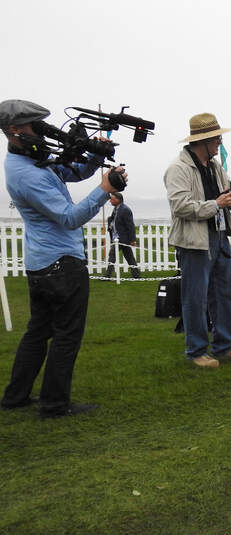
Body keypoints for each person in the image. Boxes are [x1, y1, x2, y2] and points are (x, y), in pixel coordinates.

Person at [0, 99, 124, 418]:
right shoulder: (28, 175)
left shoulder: (26, 158)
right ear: (15, 131)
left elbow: (72, 171)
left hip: (40, 263)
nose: (40, 132)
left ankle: (15, 396)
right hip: (62, 264)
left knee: (38, 331)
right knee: (67, 334)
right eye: (33, 126)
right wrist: (104, 190)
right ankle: (54, 403)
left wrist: (96, 155)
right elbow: (69, 217)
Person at [164, 113, 231, 368]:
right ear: (204, 140)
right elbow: (180, 206)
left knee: (225, 294)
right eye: (217, 138)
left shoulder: (215, 167)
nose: (220, 143)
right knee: (195, 298)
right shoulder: (178, 169)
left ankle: (225, 346)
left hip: (219, 237)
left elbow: (222, 199)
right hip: (194, 242)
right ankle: (196, 351)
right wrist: (217, 203)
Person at [103, 192, 141, 279]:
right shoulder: (116, 208)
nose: (110, 201)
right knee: (129, 257)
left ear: (118, 200)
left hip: (122, 238)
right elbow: (115, 221)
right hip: (118, 238)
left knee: (112, 255)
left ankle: (107, 275)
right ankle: (136, 275)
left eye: (112, 199)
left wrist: (132, 240)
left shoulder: (125, 209)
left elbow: (130, 225)